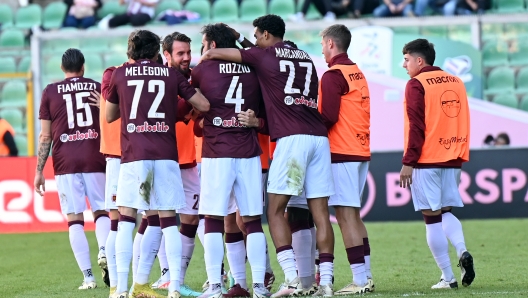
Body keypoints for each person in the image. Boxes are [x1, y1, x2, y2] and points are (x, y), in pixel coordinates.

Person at [201, 14, 336, 298]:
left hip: (291, 140)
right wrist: (240, 38)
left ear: (263, 34)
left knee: (274, 210)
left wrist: (214, 51)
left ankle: (292, 279)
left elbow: (215, 52)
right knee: (321, 213)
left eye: (256, 35)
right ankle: (325, 283)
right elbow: (261, 53)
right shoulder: (305, 56)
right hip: (319, 138)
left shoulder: (264, 57)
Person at [105, 29, 210, 298]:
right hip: (165, 155)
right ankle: (174, 286)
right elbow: (202, 104)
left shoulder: (119, 74)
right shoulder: (171, 75)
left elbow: (109, 116)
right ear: (156, 52)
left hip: (134, 155)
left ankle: (121, 289)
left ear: (132, 51)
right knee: (168, 222)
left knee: (126, 220)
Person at [192, 23, 270, 298]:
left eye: (203, 43)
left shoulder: (201, 70)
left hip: (217, 151)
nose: (201, 48)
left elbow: (192, 107)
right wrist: (239, 39)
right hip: (248, 152)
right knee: (252, 221)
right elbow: (262, 53)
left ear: (212, 45)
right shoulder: (255, 68)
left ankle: (215, 285)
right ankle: (259, 286)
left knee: (212, 218)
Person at [399, 38, 475, 289]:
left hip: (426, 160)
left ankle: (448, 277)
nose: (404, 65)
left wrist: (408, 161)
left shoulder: (416, 84)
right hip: (452, 157)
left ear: (420, 61)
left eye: (407, 59)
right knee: (446, 212)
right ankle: (462, 251)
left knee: (431, 219)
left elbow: (417, 126)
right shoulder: (456, 81)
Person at [34, 48, 109, 290]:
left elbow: (46, 136)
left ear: (62, 68)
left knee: (74, 219)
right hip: (95, 157)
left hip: (65, 161)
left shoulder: (50, 92)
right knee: (102, 212)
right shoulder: (98, 87)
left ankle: (88, 278)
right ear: (83, 67)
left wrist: (39, 171)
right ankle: (105, 251)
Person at [318, 24, 374, 295]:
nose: (321, 51)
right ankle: (367, 275)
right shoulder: (356, 72)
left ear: (330, 43)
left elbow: (327, 116)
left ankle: (360, 280)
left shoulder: (332, 75)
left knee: (345, 215)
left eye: (322, 45)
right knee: (354, 215)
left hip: (342, 151)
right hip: (360, 149)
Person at [149, 31, 203, 297]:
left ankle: (176, 278)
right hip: (164, 158)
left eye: (188, 52)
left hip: (190, 159)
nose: (186, 58)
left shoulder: (196, 76)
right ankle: (164, 276)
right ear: (166, 55)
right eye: (180, 53)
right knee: (157, 218)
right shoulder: (157, 78)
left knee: (192, 217)